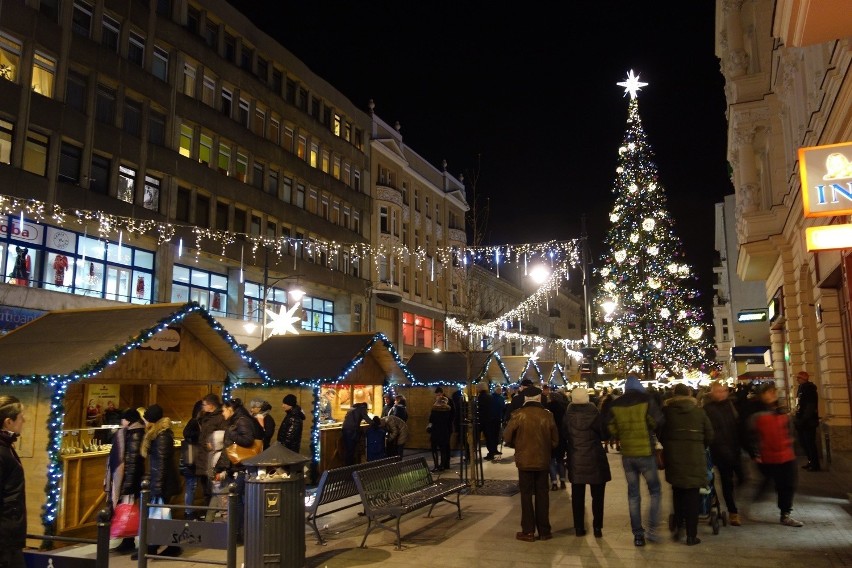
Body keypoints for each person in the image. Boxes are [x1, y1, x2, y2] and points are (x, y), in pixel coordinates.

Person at [604, 374, 665, 546]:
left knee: (633, 495)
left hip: (628, 456)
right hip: (646, 452)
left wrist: (621, 434)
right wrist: (648, 427)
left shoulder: (616, 403)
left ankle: (638, 535)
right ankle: (652, 530)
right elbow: (658, 420)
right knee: (654, 491)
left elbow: (610, 426)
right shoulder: (646, 400)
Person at [502, 387, 559, 542]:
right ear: (539, 398)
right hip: (542, 461)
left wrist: (518, 444)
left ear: (525, 399)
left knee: (526, 495)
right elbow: (555, 441)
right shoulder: (547, 416)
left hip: (524, 461)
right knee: (543, 493)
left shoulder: (518, 415)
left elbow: (507, 437)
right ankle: (545, 531)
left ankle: (528, 531)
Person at [660, 384, 714, 546]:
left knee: (677, 494)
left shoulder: (667, 412)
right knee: (692, 496)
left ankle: (677, 529)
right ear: (689, 394)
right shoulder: (699, 411)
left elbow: (661, 434)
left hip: (674, 458)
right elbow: (709, 434)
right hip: (694, 458)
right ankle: (691, 535)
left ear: (673, 394)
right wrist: (700, 446)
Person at [747, 382, 804, 527]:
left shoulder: (782, 410)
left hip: (786, 455)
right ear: (762, 395)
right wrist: (755, 453)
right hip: (768, 456)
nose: (772, 394)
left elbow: (790, 431)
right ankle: (754, 500)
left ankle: (785, 514)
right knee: (772, 483)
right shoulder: (756, 414)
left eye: (774, 392)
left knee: (788, 485)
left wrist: (792, 445)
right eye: (769, 392)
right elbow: (750, 436)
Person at [562, 386, 611, 538]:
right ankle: (597, 528)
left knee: (577, 497)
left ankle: (578, 528)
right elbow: (604, 434)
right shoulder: (595, 412)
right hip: (595, 458)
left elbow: (564, 435)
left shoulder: (568, 414)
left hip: (576, 458)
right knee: (598, 497)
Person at [135, 404, 181, 559]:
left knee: (158, 516)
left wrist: (157, 487)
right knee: (160, 515)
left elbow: (161, 463)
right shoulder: (158, 434)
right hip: (158, 481)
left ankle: (156, 547)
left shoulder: (161, 436)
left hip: (161, 482)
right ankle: (160, 546)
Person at [213, 398, 259, 543]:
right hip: (237, 467)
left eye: (224, 410)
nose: (222, 413)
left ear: (230, 409)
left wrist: (232, 433)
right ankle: (240, 533)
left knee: (237, 500)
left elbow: (248, 440)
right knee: (236, 500)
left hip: (242, 467)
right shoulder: (236, 421)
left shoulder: (241, 420)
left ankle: (240, 534)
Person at [703, 380, 745, 526]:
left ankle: (729, 504)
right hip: (720, 452)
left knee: (742, 478)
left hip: (735, 450)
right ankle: (733, 512)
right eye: (718, 391)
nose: (721, 393)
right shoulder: (707, 409)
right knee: (726, 481)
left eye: (724, 390)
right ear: (712, 392)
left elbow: (738, 427)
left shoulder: (731, 406)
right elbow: (710, 433)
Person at [106, 408, 145, 553]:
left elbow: (133, 460)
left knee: (130, 510)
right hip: (128, 477)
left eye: (123, 419)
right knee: (128, 509)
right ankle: (127, 539)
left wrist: (128, 483)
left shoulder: (135, 434)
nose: (121, 422)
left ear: (128, 420)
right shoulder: (129, 433)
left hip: (131, 479)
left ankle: (130, 540)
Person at [0, 395, 26, 568]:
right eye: (21, 417)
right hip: (4, 537)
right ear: (8, 422)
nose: (24, 420)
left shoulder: (6, 446)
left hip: (9, 532)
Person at [181, 400, 204, 521]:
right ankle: (188, 511)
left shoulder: (197, 422)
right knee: (191, 485)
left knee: (192, 486)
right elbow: (187, 434)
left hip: (194, 460)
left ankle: (189, 511)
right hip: (192, 460)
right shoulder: (194, 422)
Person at [794, 371, 820, 472]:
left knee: (810, 443)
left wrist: (803, 419)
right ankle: (810, 461)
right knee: (804, 443)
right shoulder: (801, 389)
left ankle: (815, 464)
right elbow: (799, 403)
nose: (797, 379)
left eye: (799, 378)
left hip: (808, 422)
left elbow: (810, 406)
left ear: (804, 378)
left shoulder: (809, 389)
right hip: (802, 421)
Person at [546, 385, 568, 490]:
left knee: (551, 461)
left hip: (550, 437)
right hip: (561, 437)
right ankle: (563, 480)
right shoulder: (564, 408)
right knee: (560, 460)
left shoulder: (547, 409)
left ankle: (554, 482)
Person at [428, 395, 454, 472]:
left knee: (434, 449)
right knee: (443, 449)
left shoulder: (434, 409)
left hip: (435, 430)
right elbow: (450, 421)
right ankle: (442, 465)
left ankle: (436, 465)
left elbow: (431, 420)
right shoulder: (448, 410)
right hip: (444, 431)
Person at [476, 383, 498, 460]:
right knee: (489, 437)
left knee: (475, 437)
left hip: (481, 420)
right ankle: (491, 453)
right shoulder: (490, 397)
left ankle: (471, 454)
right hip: (490, 420)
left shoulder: (480, 397)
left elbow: (478, 409)